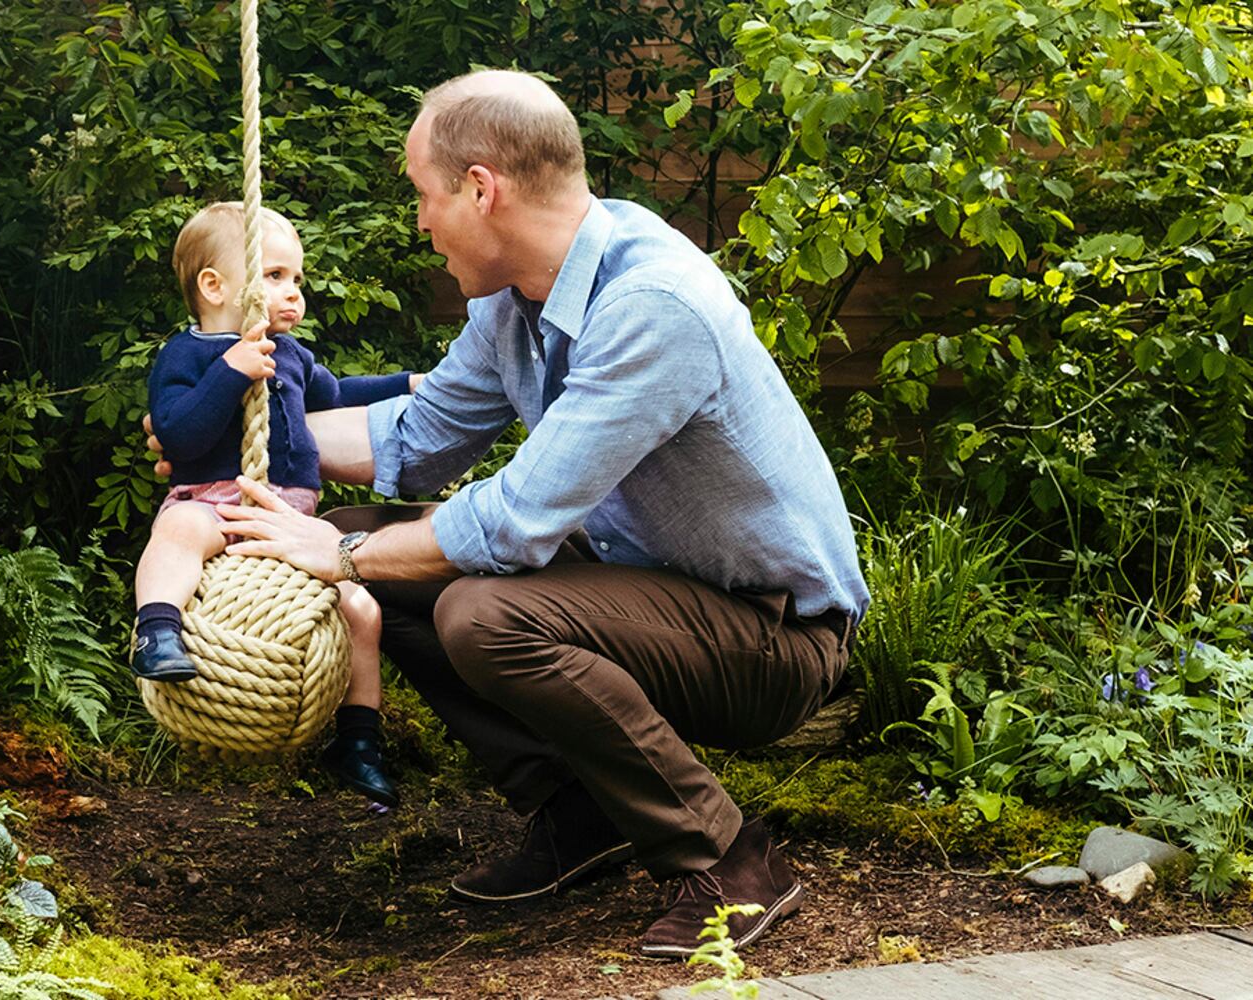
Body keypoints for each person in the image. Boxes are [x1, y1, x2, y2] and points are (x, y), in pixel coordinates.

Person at [157, 70, 870, 958]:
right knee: (386, 545)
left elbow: (514, 522)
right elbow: (417, 439)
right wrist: (223, 435)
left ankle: (729, 860)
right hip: (650, 594)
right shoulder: (515, 302)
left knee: (474, 606)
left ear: (480, 188)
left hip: (772, 639)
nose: (420, 222)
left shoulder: (652, 305)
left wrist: (335, 551)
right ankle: (581, 811)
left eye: (424, 195)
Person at [132, 200, 421, 808]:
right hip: (216, 504)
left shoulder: (289, 353)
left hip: (290, 522)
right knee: (179, 527)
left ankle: (360, 740)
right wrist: (231, 371)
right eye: (275, 276)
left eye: (297, 279)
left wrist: (409, 384)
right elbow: (180, 434)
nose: (294, 293)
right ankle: (157, 631)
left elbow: (337, 394)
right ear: (214, 286)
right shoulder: (185, 357)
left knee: (360, 609)